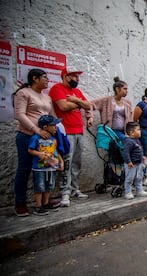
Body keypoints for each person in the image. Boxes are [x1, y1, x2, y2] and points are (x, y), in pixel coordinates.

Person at [13, 68, 57, 217]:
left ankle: (45, 202)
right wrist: (36, 130)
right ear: (34, 78)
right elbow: (19, 114)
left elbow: (52, 116)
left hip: (45, 140)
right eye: (44, 77)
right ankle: (20, 204)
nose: (47, 80)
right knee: (24, 169)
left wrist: (55, 131)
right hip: (27, 136)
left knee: (46, 170)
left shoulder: (46, 97)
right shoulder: (23, 93)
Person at [49, 66, 94, 207]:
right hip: (65, 131)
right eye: (74, 76)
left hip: (78, 130)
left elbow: (88, 106)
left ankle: (75, 189)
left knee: (76, 162)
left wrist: (75, 100)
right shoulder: (57, 89)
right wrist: (78, 103)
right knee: (67, 162)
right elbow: (62, 107)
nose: (77, 79)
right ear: (65, 76)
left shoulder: (76, 92)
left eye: (78, 76)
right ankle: (65, 192)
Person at [28, 115, 64, 215]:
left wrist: (61, 161)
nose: (56, 128)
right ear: (45, 127)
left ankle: (46, 203)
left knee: (49, 186)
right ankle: (38, 206)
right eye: (53, 125)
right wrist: (39, 154)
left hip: (51, 167)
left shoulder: (53, 138)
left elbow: (56, 151)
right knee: (39, 186)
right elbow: (30, 150)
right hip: (39, 168)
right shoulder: (36, 138)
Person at [91, 77, 133, 141]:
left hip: (124, 131)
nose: (126, 91)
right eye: (124, 89)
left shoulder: (127, 103)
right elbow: (90, 104)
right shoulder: (106, 100)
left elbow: (130, 118)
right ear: (117, 89)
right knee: (125, 143)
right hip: (111, 131)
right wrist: (90, 116)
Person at [122, 122, 147, 199]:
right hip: (131, 164)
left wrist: (142, 157)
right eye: (138, 129)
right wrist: (128, 162)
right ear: (132, 133)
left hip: (138, 163)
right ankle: (128, 192)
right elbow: (126, 152)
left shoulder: (137, 140)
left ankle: (139, 190)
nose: (140, 131)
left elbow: (139, 150)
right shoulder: (128, 142)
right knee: (129, 178)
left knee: (139, 177)